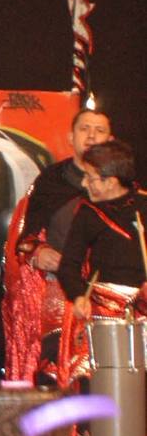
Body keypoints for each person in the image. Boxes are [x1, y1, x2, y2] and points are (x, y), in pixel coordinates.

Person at [5, 109, 113, 383]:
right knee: (53, 368)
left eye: (99, 130)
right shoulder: (51, 181)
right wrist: (39, 252)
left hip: (107, 297)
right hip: (59, 292)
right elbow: (25, 240)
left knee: (104, 373)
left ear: (110, 139)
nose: (91, 135)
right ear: (71, 137)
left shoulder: (121, 185)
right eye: (84, 128)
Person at [56, 141, 147, 369]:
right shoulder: (88, 213)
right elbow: (68, 264)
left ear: (111, 182)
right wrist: (78, 296)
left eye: (90, 177)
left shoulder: (143, 206)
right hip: (103, 310)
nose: (85, 183)